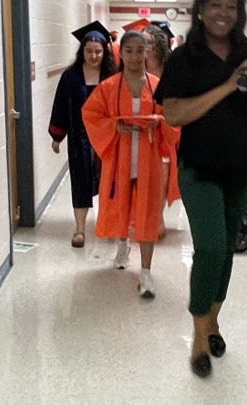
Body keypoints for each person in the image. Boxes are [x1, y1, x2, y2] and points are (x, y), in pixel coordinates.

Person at [153, 0, 247, 377]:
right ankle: (197, 336)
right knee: (209, 247)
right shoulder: (183, 59)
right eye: (216, 5)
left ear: (239, 12)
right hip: (198, 168)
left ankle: (213, 322)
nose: (224, 13)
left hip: (240, 168)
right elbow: (173, 114)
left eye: (231, 6)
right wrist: (229, 85)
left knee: (226, 249)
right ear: (200, 10)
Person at [82, 30, 180, 298]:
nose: (136, 56)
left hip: (148, 158)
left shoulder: (158, 85)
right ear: (121, 54)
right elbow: (91, 115)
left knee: (148, 212)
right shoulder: (108, 87)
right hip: (120, 159)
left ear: (148, 51)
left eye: (141, 50)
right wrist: (116, 125)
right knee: (121, 205)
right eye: (129, 51)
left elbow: (173, 117)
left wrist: (158, 122)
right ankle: (122, 245)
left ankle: (146, 272)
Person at [48, 21, 116, 248]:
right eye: (89, 51)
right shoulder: (70, 76)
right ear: (82, 51)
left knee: (110, 181)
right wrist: (57, 136)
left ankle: (110, 224)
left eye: (98, 51)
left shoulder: (112, 75)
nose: (94, 56)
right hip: (80, 137)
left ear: (104, 51)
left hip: (108, 138)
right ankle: (79, 229)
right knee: (80, 181)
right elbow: (60, 106)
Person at [142, 23, 180, 238]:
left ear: (157, 45)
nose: (143, 47)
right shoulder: (137, 68)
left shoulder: (170, 70)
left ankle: (158, 219)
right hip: (142, 132)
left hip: (167, 131)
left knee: (162, 178)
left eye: (146, 42)